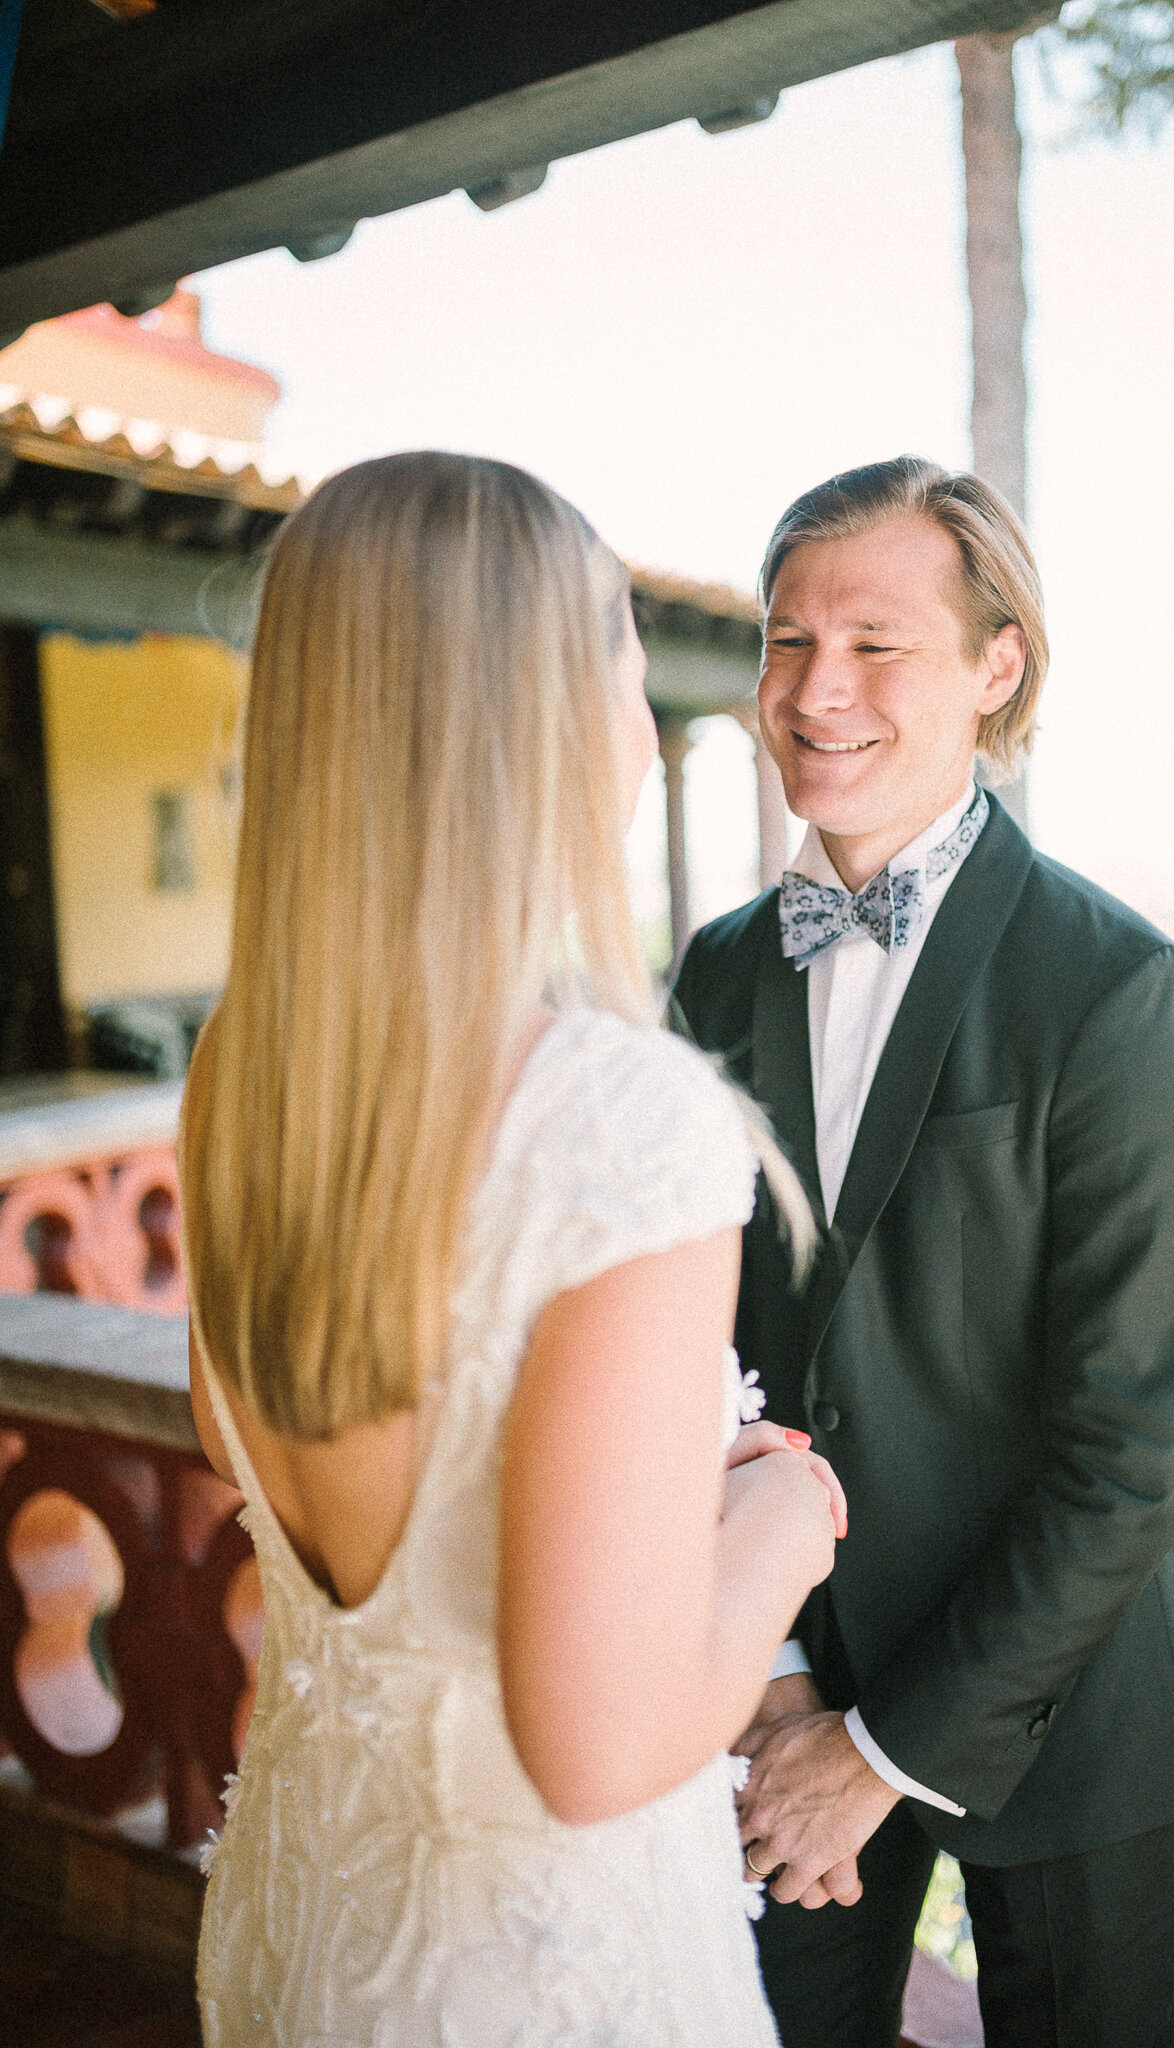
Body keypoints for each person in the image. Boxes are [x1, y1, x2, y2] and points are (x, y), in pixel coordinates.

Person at [179, 450, 846, 2047]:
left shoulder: (239, 1076)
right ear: (536, 720)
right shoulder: (621, 1120)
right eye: (622, 666)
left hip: (305, 1929)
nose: (640, 725)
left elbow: (264, 1448)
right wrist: (780, 1525)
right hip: (541, 1977)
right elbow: (598, 1750)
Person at [671, 455, 1174, 2048]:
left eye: (876, 644)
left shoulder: (1126, 990)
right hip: (771, 1690)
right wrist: (779, 1678)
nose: (817, 690)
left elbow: (1131, 1447)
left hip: (1063, 1716)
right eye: (788, 641)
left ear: (998, 668)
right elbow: (683, 1350)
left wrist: (883, 1748)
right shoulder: (712, 979)